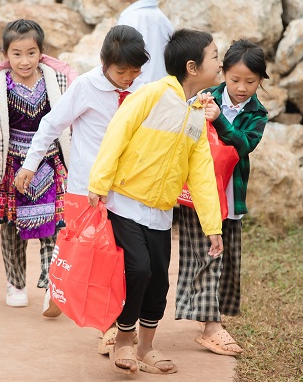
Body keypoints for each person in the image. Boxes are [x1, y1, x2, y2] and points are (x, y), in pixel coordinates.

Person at [88, 28, 224, 375]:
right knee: (138, 270)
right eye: (215, 56)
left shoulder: (197, 111)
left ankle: (146, 347)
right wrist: (100, 182)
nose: (219, 62)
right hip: (126, 202)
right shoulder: (152, 94)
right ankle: (123, 340)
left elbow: (202, 173)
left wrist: (213, 226)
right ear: (192, 67)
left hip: (162, 212)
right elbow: (117, 132)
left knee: (159, 280)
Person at [13, 25, 148, 334]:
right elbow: (51, 124)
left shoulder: (143, 89)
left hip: (127, 189)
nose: (129, 77)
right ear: (104, 64)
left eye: (135, 70)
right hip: (87, 190)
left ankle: (110, 325)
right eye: (122, 70)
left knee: (119, 259)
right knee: (88, 253)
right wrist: (30, 165)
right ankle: (60, 286)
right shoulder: (86, 86)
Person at [0, 20, 76, 312]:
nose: (24, 60)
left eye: (31, 52)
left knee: (53, 225)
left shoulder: (58, 81)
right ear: (5, 54)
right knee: (12, 229)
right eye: (17, 53)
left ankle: (51, 284)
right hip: (10, 164)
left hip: (50, 162)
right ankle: (15, 284)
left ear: (41, 52)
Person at [175, 40, 269, 358]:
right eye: (235, 79)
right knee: (204, 255)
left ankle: (211, 316)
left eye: (251, 81)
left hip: (231, 196)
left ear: (260, 81)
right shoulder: (205, 98)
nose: (242, 88)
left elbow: (243, 145)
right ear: (223, 74)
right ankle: (211, 326)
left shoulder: (258, 114)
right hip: (201, 194)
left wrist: (219, 120)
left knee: (224, 259)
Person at [115, 0, 174, 92]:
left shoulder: (129, 19)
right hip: (164, 94)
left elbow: (121, 61)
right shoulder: (163, 19)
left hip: (137, 96)